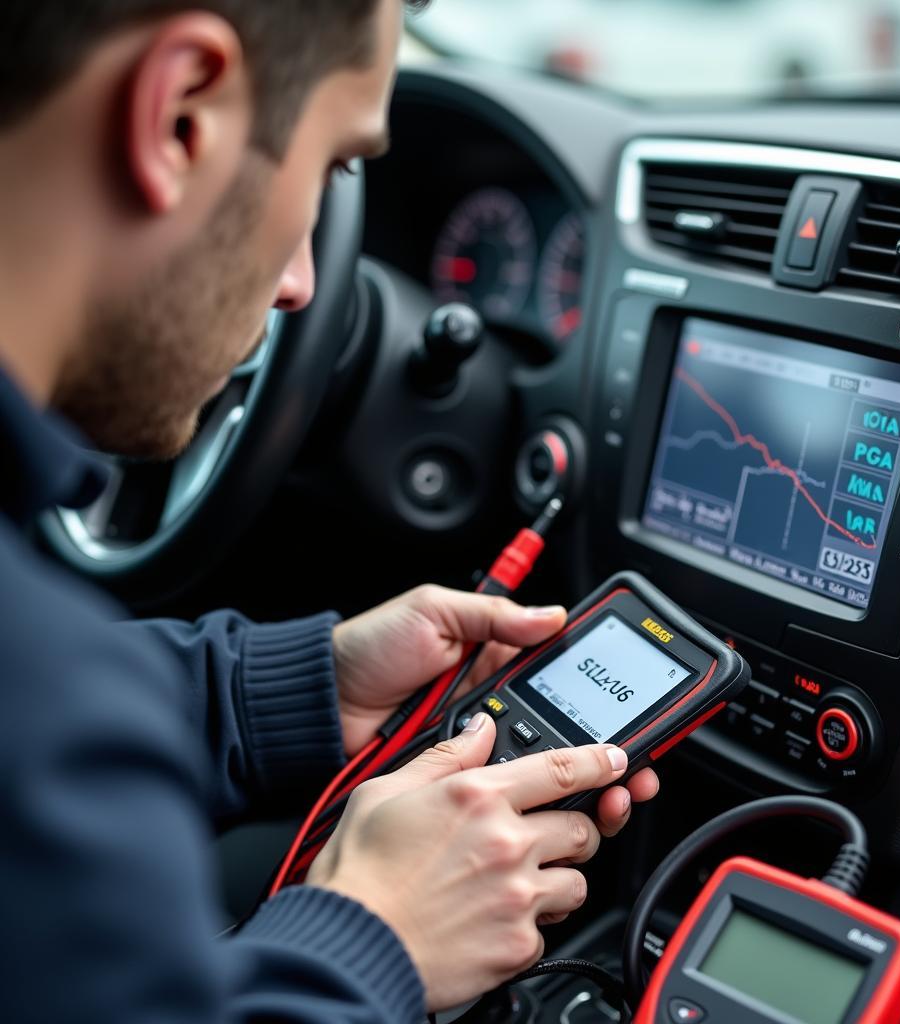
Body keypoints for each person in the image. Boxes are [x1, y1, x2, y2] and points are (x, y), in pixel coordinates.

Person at [0, 2, 661, 1021]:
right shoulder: (55, 727)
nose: (306, 283)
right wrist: (373, 937)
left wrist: (273, 699)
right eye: (325, 169)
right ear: (180, 116)